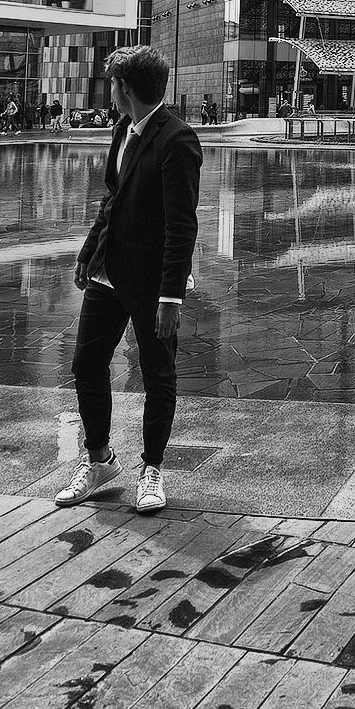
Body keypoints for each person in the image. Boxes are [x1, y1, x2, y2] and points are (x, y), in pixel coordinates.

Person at [56, 44, 203, 515]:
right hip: (107, 272)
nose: (110, 91)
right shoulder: (122, 128)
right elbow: (112, 200)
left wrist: (171, 297)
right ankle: (99, 459)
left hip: (150, 281)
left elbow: (182, 226)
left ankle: (152, 468)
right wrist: (87, 254)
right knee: (86, 363)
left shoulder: (177, 139)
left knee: (158, 375)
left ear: (126, 87)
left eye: (113, 83)